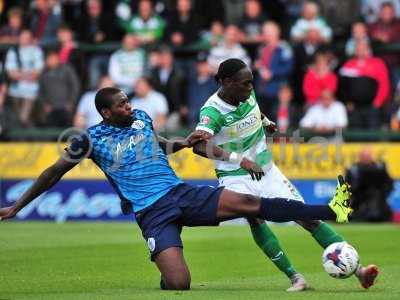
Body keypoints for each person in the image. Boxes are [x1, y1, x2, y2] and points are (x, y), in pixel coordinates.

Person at [0, 86, 353, 291]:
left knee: (251, 204)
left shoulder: (141, 118)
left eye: (128, 99)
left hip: (180, 193)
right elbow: (52, 173)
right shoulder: (90, 139)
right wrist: (18, 206)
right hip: (152, 212)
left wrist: (182, 143)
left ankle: (332, 208)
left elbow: (156, 144)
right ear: (106, 113)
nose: (130, 105)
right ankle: (162, 257)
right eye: (122, 103)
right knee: (179, 284)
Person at [192, 58, 378, 291]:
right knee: (256, 218)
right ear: (228, 82)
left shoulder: (245, 93)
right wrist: (240, 159)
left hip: (265, 168)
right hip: (235, 176)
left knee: (306, 217)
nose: (251, 88)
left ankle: (359, 271)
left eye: (252, 83)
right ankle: (295, 277)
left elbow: (255, 112)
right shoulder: (212, 110)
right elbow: (199, 146)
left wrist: (267, 122)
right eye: (246, 84)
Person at [345, 148, 394, 222]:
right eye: (364, 156)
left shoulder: (379, 168)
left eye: (367, 156)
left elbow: (388, 184)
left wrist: (383, 194)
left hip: (377, 198)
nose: (366, 159)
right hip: (358, 197)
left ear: (371, 157)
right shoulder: (353, 170)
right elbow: (346, 185)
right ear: (360, 157)